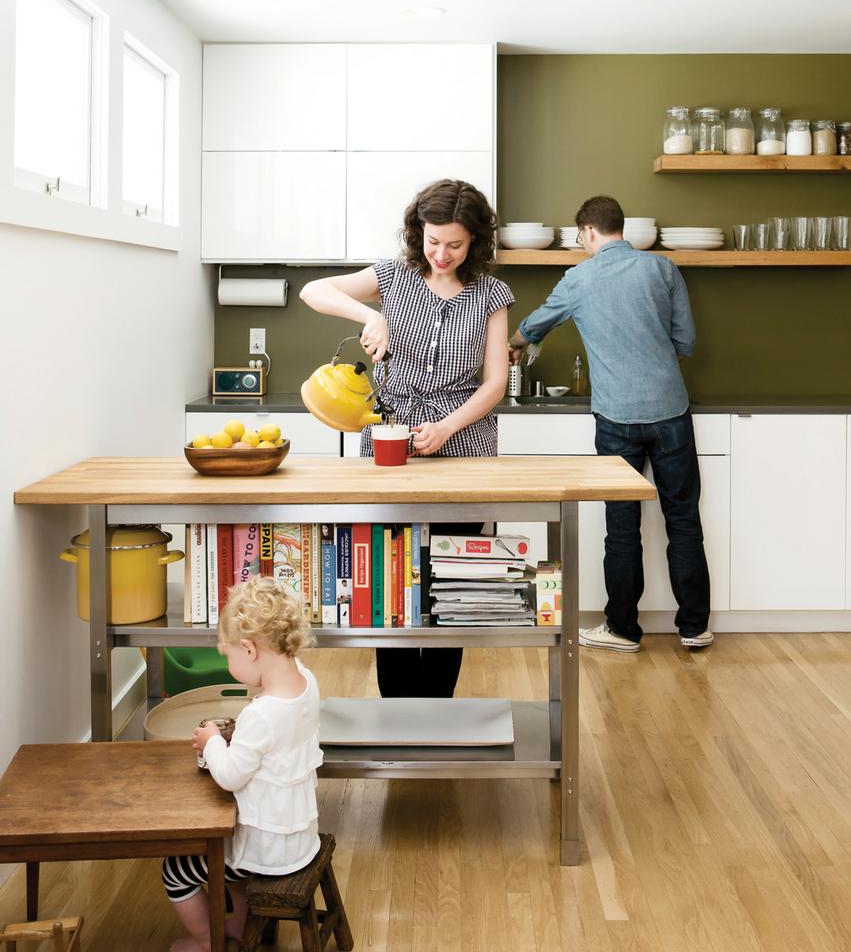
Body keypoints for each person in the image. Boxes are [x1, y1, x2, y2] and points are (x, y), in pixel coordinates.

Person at [300, 178, 514, 697]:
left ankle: (436, 709)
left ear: (476, 243)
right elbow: (314, 291)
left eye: (455, 244)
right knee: (387, 580)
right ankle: (398, 710)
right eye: (432, 239)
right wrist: (371, 314)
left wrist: (447, 427)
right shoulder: (392, 278)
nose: (441, 253)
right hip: (392, 446)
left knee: (451, 582)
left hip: (466, 446)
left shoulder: (491, 294)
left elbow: (496, 382)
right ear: (418, 231)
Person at [509, 195, 712, 653]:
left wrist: (515, 345)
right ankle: (694, 628)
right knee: (684, 521)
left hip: (616, 419)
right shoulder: (663, 269)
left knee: (622, 527)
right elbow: (687, 340)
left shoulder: (578, 279)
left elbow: (535, 325)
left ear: (587, 233)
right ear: (621, 228)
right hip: (671, 412)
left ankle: (622, 629)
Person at [162, 577, 322, 952]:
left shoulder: (261, 714)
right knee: (224, 863)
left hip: (265, 850)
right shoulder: (307, 682)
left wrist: (213, 741)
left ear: (250, 650)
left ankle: (206, 941)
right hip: (298, 835)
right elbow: (276, 749)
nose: (228, 663)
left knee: (175, 870)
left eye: (228, 656)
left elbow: (231, 776)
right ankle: (237, 924)